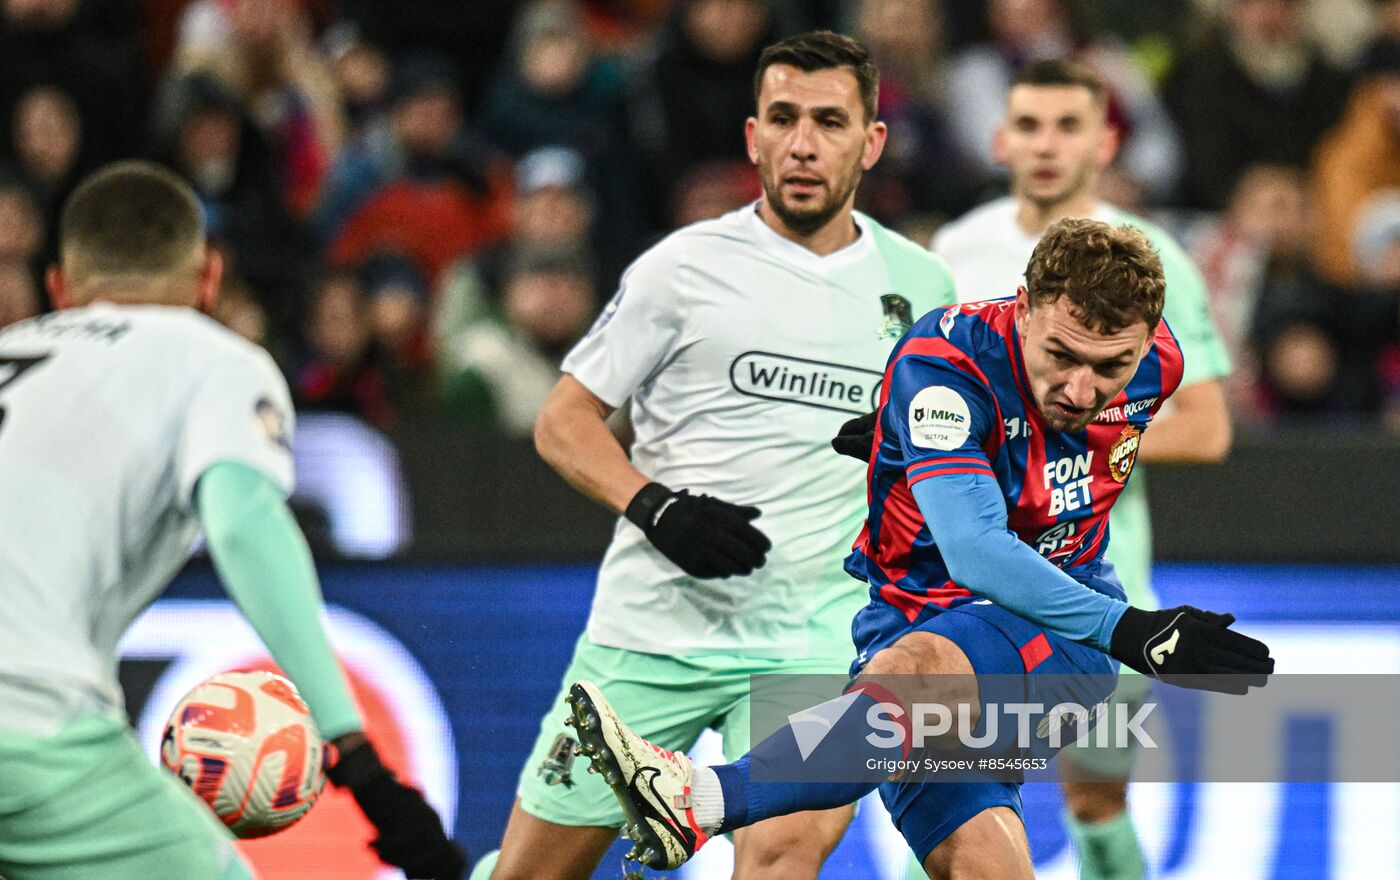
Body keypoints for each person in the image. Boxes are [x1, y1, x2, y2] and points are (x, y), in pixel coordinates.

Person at [566, 217, 1275, 879]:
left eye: (1111, 367)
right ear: (1022, 307)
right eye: (1060, 354)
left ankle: (699, 801)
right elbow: (973, 548)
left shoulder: (1160, 365)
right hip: (917, 623)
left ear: (1145, 345)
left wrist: (1111, 624)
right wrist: (1137, 634)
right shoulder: (942, 362)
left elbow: (1012, 506)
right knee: (981, 864)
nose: (1081, 388)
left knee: (919, 671)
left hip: (1058, 628)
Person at [473, 30, 957, 880]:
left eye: (831, 122)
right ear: (753, 137)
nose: (804, 143)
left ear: (871, 142)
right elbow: (565, 419)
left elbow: (948, 451)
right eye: (783, 117)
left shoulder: (923, 287)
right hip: (655, 630)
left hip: (814, 637)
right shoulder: (680, 269)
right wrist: (653, 506)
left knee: (782, 853)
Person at [0, 161, 466, 880]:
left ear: (60, 286)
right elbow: (245, 525)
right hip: (25, 718)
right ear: (209, 280)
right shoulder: (210, 358)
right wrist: (361, 759)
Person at [928, 59, 1234, 880]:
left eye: (1068, 126)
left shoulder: (1155, 256)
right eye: (1029, 125)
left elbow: (1204, 429)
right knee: (967, 806)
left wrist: (1056, 441)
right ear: (999, 139)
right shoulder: (956, 248)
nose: (1047, 145)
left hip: (1100, 585)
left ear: (1105, 141)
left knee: (1093, 799)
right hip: (964, 583)